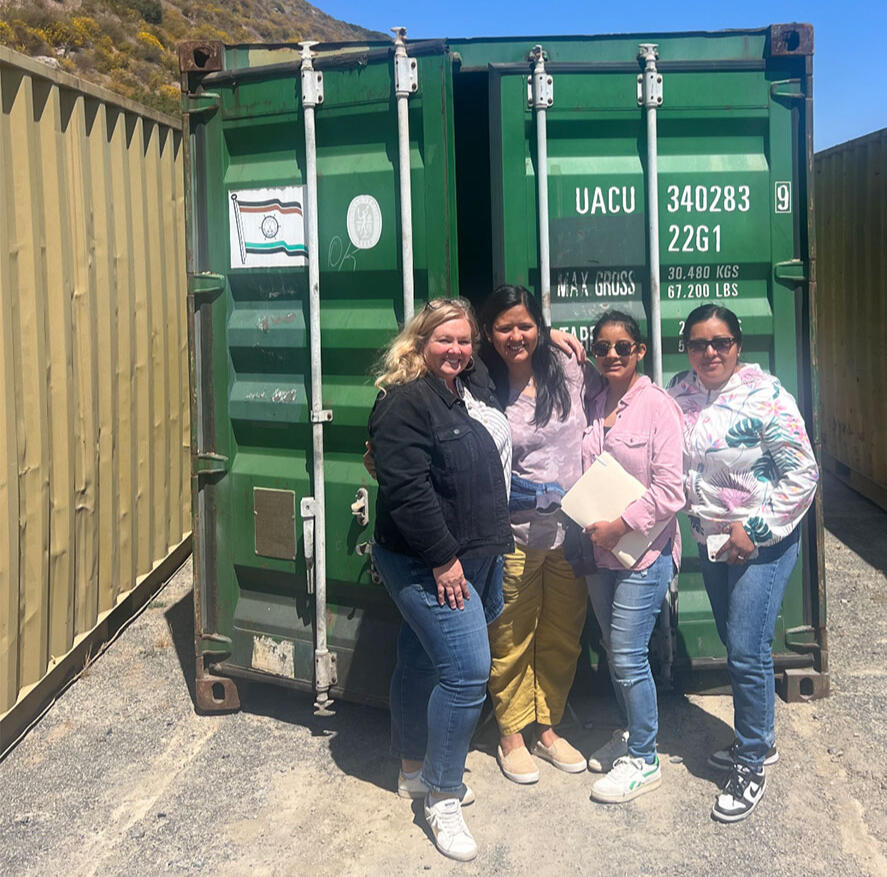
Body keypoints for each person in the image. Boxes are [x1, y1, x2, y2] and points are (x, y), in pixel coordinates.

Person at [368, 297, 513, 862]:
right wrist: (443, 559)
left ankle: (412, 770)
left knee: (420, 656)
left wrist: (560, 347)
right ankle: (442, 794)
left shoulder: (463, 388)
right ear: (419, 342)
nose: (456, 350)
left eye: (464, 340)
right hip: (428, 558)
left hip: (471, 550)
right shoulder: (404, 402)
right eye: (443, 340)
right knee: (467, 671)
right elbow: (406, 491)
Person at [668, 304, 818, 823]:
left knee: (747, 650)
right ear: (684, 347)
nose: (710, 352)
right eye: (698, 343)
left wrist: (753, 531)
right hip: (713, 543)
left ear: (738, 345)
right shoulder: (678, 392)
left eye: (721, 342)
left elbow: (802, 474)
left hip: (763, 541)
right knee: (738, 643)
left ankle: (751, 760)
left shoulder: (767, 396)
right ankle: (763, 739)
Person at [481, 285, 594, 784]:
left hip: (571, 531)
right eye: (504, 327)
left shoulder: (568, 368)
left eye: (525, 325)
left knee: (562, 634)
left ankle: (547, 728)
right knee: (509, 636)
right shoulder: (481, 382)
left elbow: (611, 393)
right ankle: (510, 734)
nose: (515, 336)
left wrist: (557, 337)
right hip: (515, 534)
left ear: (539, 327)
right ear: (489, 333)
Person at [580, 311, 685, 803]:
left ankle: (644, 758)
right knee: (613, 647)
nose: (612, 355)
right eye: (602, 348)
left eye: (623, 347)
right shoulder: (593, 400)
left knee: (626, 656)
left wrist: (621, 524)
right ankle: (631, 734)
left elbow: (671, 491)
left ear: (640, 350)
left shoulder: (659, 407)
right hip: (600, 554)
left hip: (643, 552)